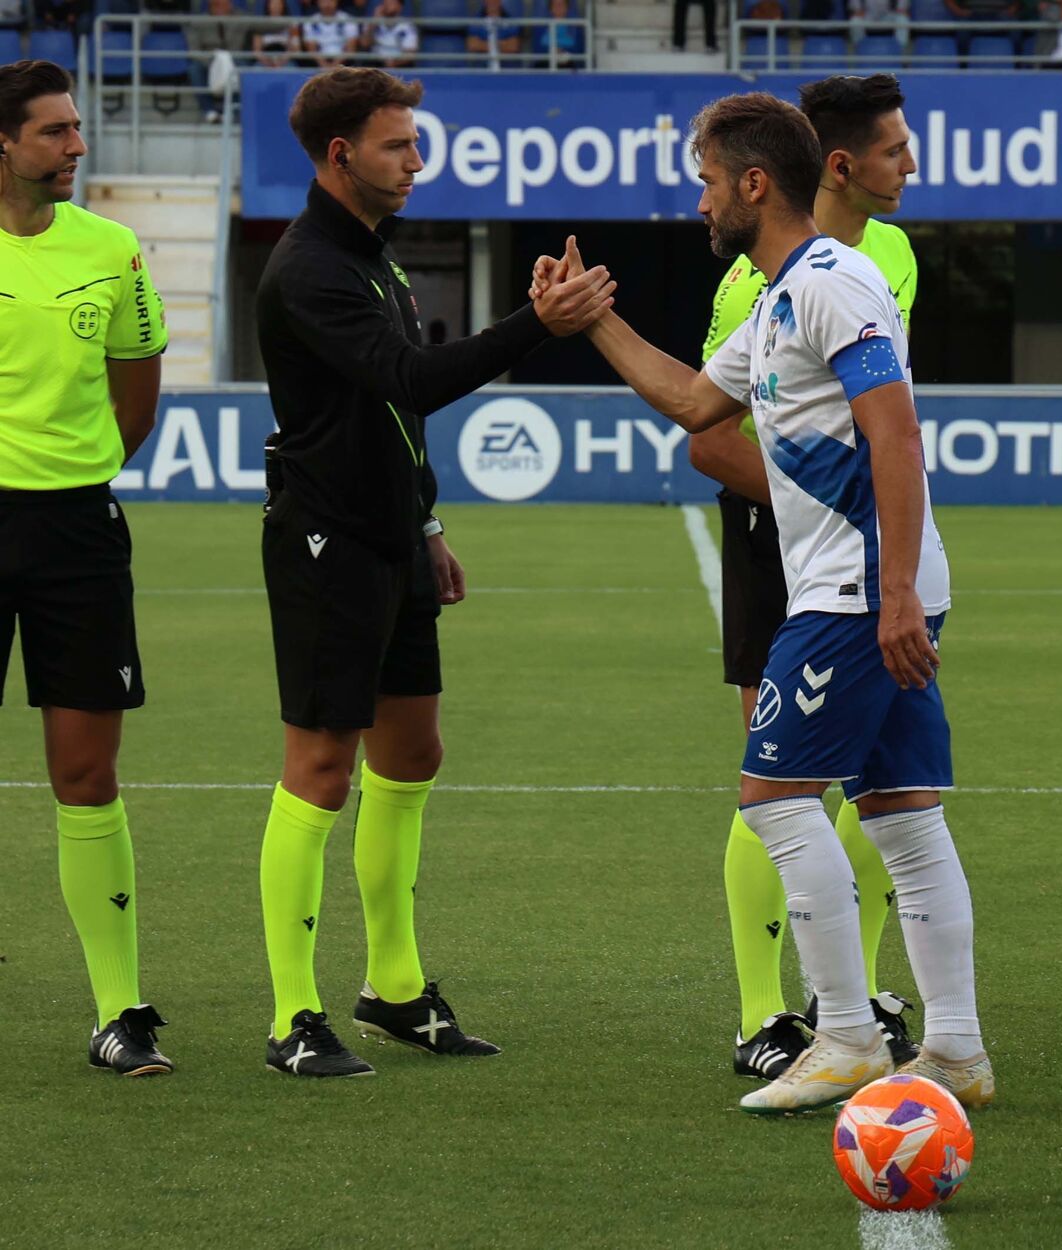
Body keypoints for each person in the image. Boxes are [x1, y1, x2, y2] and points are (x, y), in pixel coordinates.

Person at [559, 90, 990, 1115]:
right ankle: (957, 1049)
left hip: (856, 592)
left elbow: (895, 433)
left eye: (708, 182)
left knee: (774, 800)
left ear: (755, 184)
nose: (700, 202)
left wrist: (891, 593)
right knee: (900, 812)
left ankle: (844, 1034)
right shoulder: (780, 296)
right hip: (865, 585)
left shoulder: (835, 283)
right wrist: (590, 319)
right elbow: (693, 404)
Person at [251, 67, 613, 1078]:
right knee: (321, 769)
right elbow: (409, 379)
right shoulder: (310, 267)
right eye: (397, 145)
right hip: (325, 544)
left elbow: (390, 418)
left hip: (393, 540)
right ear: (340, 156)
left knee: (411, 755)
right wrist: (537, 324)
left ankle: (394, 990)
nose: (417, 159)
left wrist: (428, 523)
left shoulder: (375, 261)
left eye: (415, 141)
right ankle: (292, 1015)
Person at [683, 75, 925, 1084]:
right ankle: (762, 1010)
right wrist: (807, 498)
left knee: (881, 790)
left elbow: (885, 419)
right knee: (776, 777)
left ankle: (848, 1003)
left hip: (859, 541)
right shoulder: (756, 279)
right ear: (836, 164)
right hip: (781, 537)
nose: (909, 165)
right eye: (894, 149)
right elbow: (709, 432)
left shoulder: (887, 257)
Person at [0, 58, 174, 1078]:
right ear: (4, 144)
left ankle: (119, 1010)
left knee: (86, 773)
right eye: (54, 131)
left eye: (75, 128)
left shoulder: (111, 249)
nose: (75, 145)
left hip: (76, 533)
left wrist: (75, 473)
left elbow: (136, 398)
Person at [186, 0, 253, 122]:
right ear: (211, 6)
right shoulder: (198, 22)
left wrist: (286, 22)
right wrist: (214, 63)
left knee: (243, 67)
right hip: (209, 60)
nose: (221, 8)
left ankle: (234, 111)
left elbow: (262, 25)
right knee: (194, 69)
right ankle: (209, 111)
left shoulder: (241, 18)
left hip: (234, 59)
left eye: (225, 4)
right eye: (217, 5)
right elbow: (193, 51)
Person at [362, 0, 419, 68]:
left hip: (399, 64)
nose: (387, 5)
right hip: (376, 63)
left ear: (399, 7)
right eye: (386, 2)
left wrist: (394, 63)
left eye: (392, 2)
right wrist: (375, 21)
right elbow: (365, 44)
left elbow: (410, 54)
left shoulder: (407, 26)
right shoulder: (372, 22)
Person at [301, 0, 359, 67]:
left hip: (343, 61)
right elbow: (312, 49)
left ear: (336, 2)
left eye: (331, 1)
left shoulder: (348, 19)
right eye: (324, 1)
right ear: (318, 2)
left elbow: (351, 49)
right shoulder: (310, 22)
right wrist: (324, 65)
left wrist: (334, 66)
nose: (327, 5)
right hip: (319, 62)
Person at [533, 0, 585, 66]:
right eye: (555, 5)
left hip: (567, 62)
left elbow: (578, 49)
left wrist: (563, 51)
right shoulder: (542, 27)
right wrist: (552, 51)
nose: (558, 8)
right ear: (550, 9)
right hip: (545, 62)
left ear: (567, 8)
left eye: (561, 5)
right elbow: (538, 49)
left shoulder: (576, 27)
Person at [253, 0, 301, 68]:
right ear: (268, 5)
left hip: (285, 58)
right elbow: (256, 51)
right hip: (265, 58)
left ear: (283, 5)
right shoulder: (260, 24)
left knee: (292, 69)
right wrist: (267, 62)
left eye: (278, 4)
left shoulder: (292, 24)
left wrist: (283, 60)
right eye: (273, 4)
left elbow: (296, 48)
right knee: (255, 70)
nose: (276, 6)